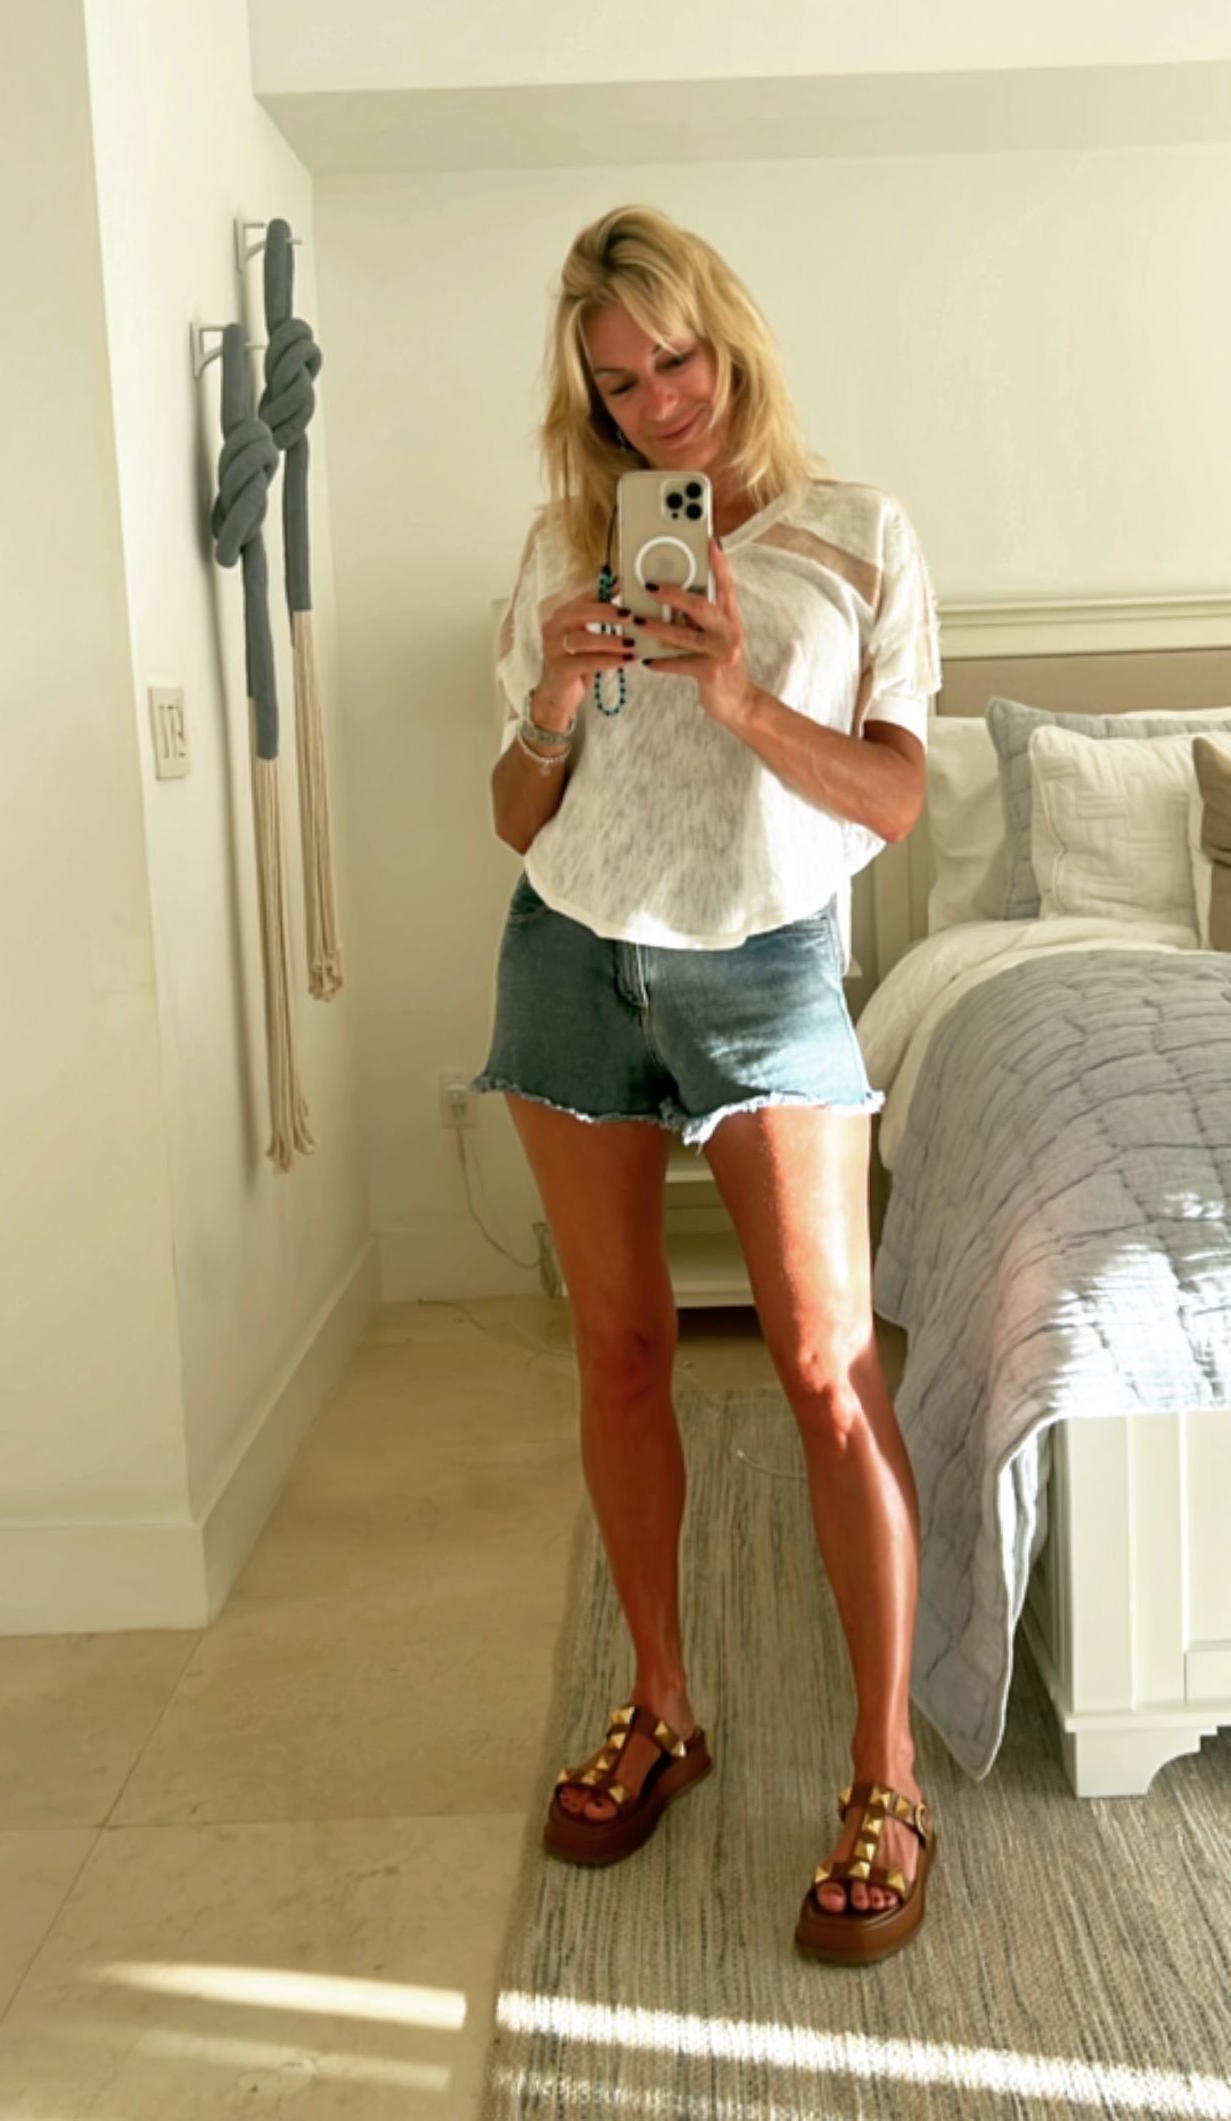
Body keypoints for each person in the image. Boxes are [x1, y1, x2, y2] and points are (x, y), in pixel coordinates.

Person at [469, 205, 942, 1966]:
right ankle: (662, 1704)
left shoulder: (857, 535)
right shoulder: (564, 546)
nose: (657, 402)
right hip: (572, 951)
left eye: (676, 359)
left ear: (728, 341)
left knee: (827, 1366)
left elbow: (894, 799)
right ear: (588, 401)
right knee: (619, 1349)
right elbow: (517, 814)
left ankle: (886, 1775)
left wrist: (736, 694)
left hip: (766, 962)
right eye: (618, 383)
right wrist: (552, 692)